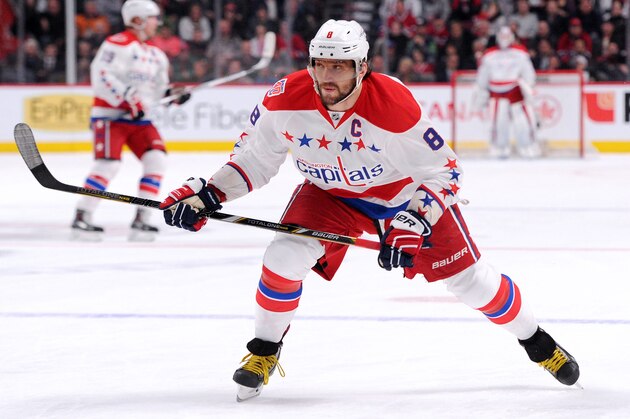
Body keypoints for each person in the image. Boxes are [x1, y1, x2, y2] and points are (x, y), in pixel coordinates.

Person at [159, 19, 580, 401]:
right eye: (320, 64)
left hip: (404, 194)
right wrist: (208, 194)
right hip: (329, 194)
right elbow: (254, 160)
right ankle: (264, 351)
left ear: (362, 68)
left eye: (339, 67)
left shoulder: (392, 103)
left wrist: (414, 218)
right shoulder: (284, 98)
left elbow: (446, 170)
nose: (326, 76)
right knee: (283, 257)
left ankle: (537, 342)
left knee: (472, 284)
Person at [71, 0, 190, 241]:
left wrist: (172, 96)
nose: (158, 22)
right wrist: (128, 98)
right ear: (138, 19)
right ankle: (82, 215)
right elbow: (102, 75)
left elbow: (157, 91)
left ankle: (142, 218)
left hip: (140, 121)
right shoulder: (117, 44)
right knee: (108, 165)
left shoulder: (156, 54)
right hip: (111, 118)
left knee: (156, 160)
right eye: (154, 18)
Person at [474, 26, 540, 158]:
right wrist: (481, 91)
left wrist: (529, 88)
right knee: (498, 122)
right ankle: (499, 147)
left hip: (516, 91)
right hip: (496, 92)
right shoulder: (489, 55)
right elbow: (483, 76)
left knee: (524, 122)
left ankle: (528, 146)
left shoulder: (520, 53)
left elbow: (528, 73)